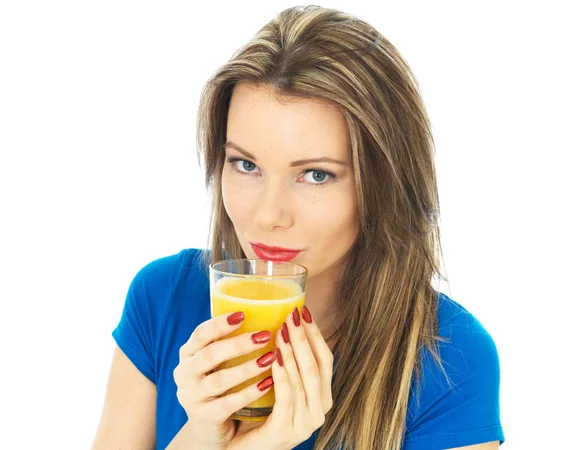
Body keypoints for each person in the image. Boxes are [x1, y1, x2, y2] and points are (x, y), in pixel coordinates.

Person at [92, 5, 504, 450]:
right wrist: (204, 437)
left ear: (384, 185)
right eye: (246, 164)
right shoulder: (163, 298)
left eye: (316, 175)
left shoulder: (452, 360)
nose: (269, 215)